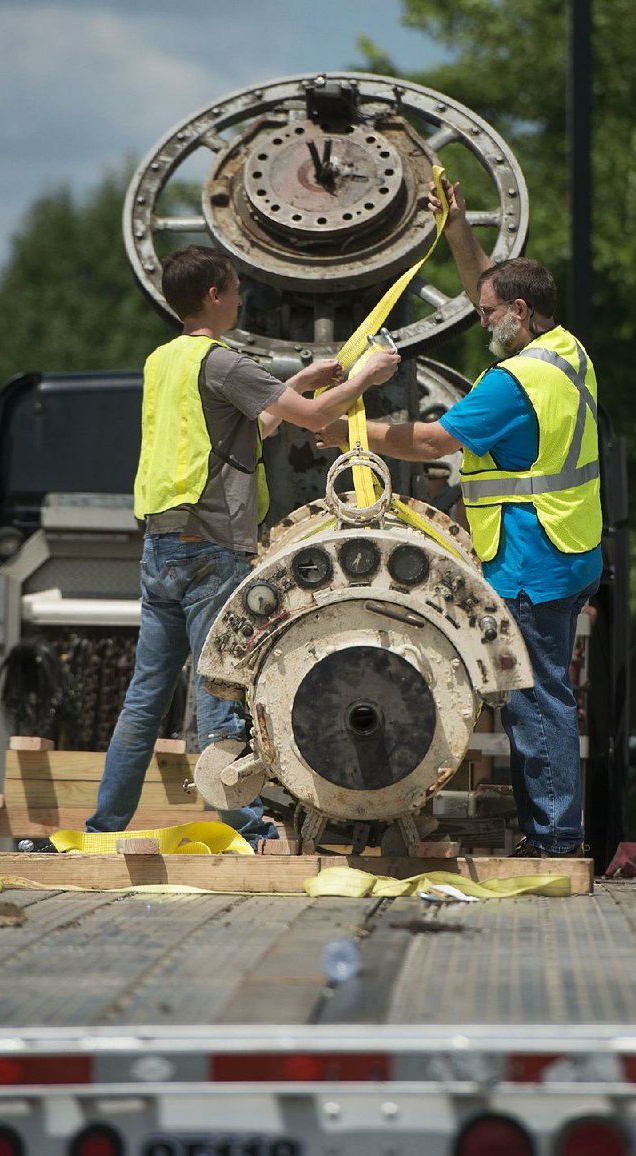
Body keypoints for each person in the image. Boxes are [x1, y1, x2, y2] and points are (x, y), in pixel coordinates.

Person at [318, 178, 602, 858]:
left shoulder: (513, 384)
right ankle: (554, 832)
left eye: (487, 315)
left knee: (538, 699)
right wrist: (456, 230)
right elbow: (491, 286)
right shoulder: (564, 351)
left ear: (520, 312)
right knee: (543, 694)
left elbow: (431, 442)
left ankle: (557, 839)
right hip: (567, 547)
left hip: (532, 555)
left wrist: (349, 438)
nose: (480, 323)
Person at [85, 244, 400, 846]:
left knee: (145, 697)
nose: (239, 299)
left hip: (162, 544)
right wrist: (364, 378)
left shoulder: (164, 361)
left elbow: (245, 426)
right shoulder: (225, 362)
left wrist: (298, 383)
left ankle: (104, 826)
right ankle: (248, 828)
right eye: (233, 290)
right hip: (212, 548)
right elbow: (313, 420)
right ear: (213, 296)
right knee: (220, 690)